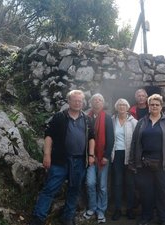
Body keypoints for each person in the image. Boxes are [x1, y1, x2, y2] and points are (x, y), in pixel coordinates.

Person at [30, 90, 95, 225]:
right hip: (60, 161)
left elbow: (91, 138)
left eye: (80, 101)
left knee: (74, 190)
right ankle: (38, 219)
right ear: (69, 101)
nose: (78, 103)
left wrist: (91, 155)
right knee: (49, 189)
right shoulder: (59, 117)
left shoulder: (87, 120)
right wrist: (47, 155)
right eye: (75, 100)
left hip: (79, 161)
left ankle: (67, 218)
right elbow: (49, 136)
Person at [129, 94, 165, 225]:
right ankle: (147, 217)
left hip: (164, 164)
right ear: (148, 106)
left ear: (161, 106)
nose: (154, 107)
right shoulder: (142, 122)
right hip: (144, 164)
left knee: (164, 193)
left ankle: (164, 218)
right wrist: (133, 162)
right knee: (146, 193)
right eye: (152, 104)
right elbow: (135, 142)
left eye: (157, 104)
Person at [84, 93, 114, 224]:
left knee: (102, 186)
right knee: (90, 183)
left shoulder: (107, 118)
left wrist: (106, 156)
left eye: (100, 100)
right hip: (90, 157)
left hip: (103, 157)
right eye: (95, 100)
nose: (97, 102)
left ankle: (101, 210)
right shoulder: (85, 117)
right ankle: (92, 207)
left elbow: (110, 138)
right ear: (91, 103)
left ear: (103, 103)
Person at [110, 98, 138, 221]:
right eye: (119, 105)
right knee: (117, 183)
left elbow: (137, 141)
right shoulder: (112, 120)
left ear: (127, 107)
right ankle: (117, 209)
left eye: (124, 105)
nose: (122, 107)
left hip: (129, 156)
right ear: (116, 107)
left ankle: (130, 209)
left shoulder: (134, 122)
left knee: (130, 183)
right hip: (116, 155)